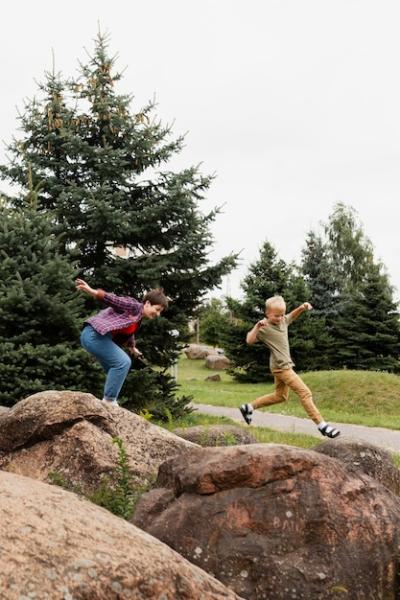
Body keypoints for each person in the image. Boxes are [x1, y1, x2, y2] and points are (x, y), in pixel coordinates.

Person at [240, 295, 340, 438]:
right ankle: (322, 426)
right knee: (305, 393)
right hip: (282, 368)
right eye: (276, 316)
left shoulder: (283, 321)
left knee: (280, 396)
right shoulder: (264, 328)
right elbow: (249, 340)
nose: (280, 318)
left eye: (282, 315)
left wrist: (302, 307)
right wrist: (257, 326)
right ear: (267, 313)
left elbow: (292, 315)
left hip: (280, 367)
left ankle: (249, 407)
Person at [76, 278, 168, 406]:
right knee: (123, 362)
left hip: (97, 337)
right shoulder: (134, 306)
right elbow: (114, 300)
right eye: (157, 309)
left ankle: (110, 400)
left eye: (160, 312)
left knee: (115, 369)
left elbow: (128, 334)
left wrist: (132, 348)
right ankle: (109, 401)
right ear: (147, 303)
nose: (157, 314)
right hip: (93, 335)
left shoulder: (137, 319)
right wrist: (91, 291)